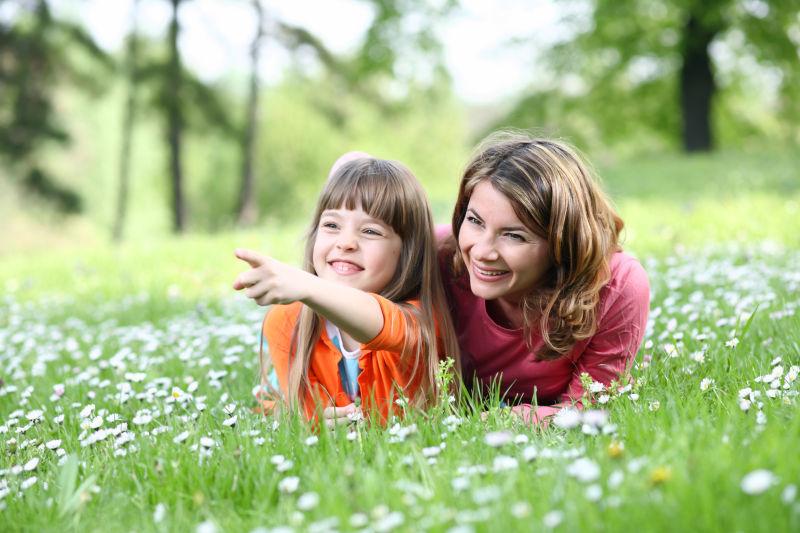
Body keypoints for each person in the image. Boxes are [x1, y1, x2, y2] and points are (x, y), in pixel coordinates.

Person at [438, 132, 650, 425]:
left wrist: (502, 419)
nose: (482, 252)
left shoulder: (617, 284)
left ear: (562, 243)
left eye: (514, 235)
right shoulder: (439, 256)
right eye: (474, 221)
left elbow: (587, 409)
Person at [233, 157, 459, 425]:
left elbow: (380, 322)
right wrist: (314, 424)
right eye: (331, 225)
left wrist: (307, 285)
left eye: (371, 231)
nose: (346, 242)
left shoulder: (418, 323)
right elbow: (309, 418)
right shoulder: (287, 322)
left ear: (407, 252)